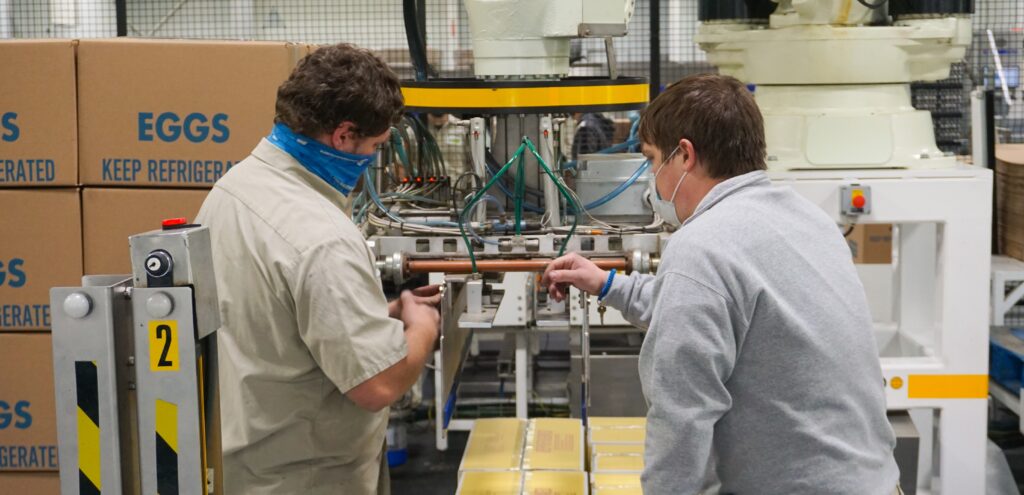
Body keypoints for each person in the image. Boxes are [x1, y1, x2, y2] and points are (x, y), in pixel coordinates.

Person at [542, 74, 900, 494]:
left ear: (686, 156)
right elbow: (717, 310)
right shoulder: (808, 219)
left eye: (654, 160)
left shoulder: (703, 246)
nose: (652, 178)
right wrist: (608, 284)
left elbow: (681, 417)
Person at [195, 43, 441, 494]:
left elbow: (270, 317)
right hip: (304, 474)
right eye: (375, 146)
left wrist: (370, 316)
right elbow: (378, 385)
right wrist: (421, 326)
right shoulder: (322, 236)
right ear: (344, 136)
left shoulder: (234, 188)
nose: (372, 159)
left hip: (242, 462)